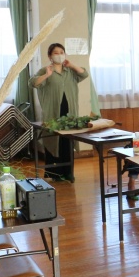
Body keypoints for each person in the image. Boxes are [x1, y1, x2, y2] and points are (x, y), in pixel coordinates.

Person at [30, 43, 89, 182]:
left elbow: (84, 74)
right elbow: (33, 83)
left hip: (69, 114)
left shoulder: (70, 71)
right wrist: (47, 75)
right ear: (50, 56)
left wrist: (72, 65)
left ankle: (68, 173)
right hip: (53, 113)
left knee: (67, 143)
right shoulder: (45, 70)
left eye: (62, 52)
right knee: (53, 141)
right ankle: (54, 174)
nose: (59, 55)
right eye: (56, 53)